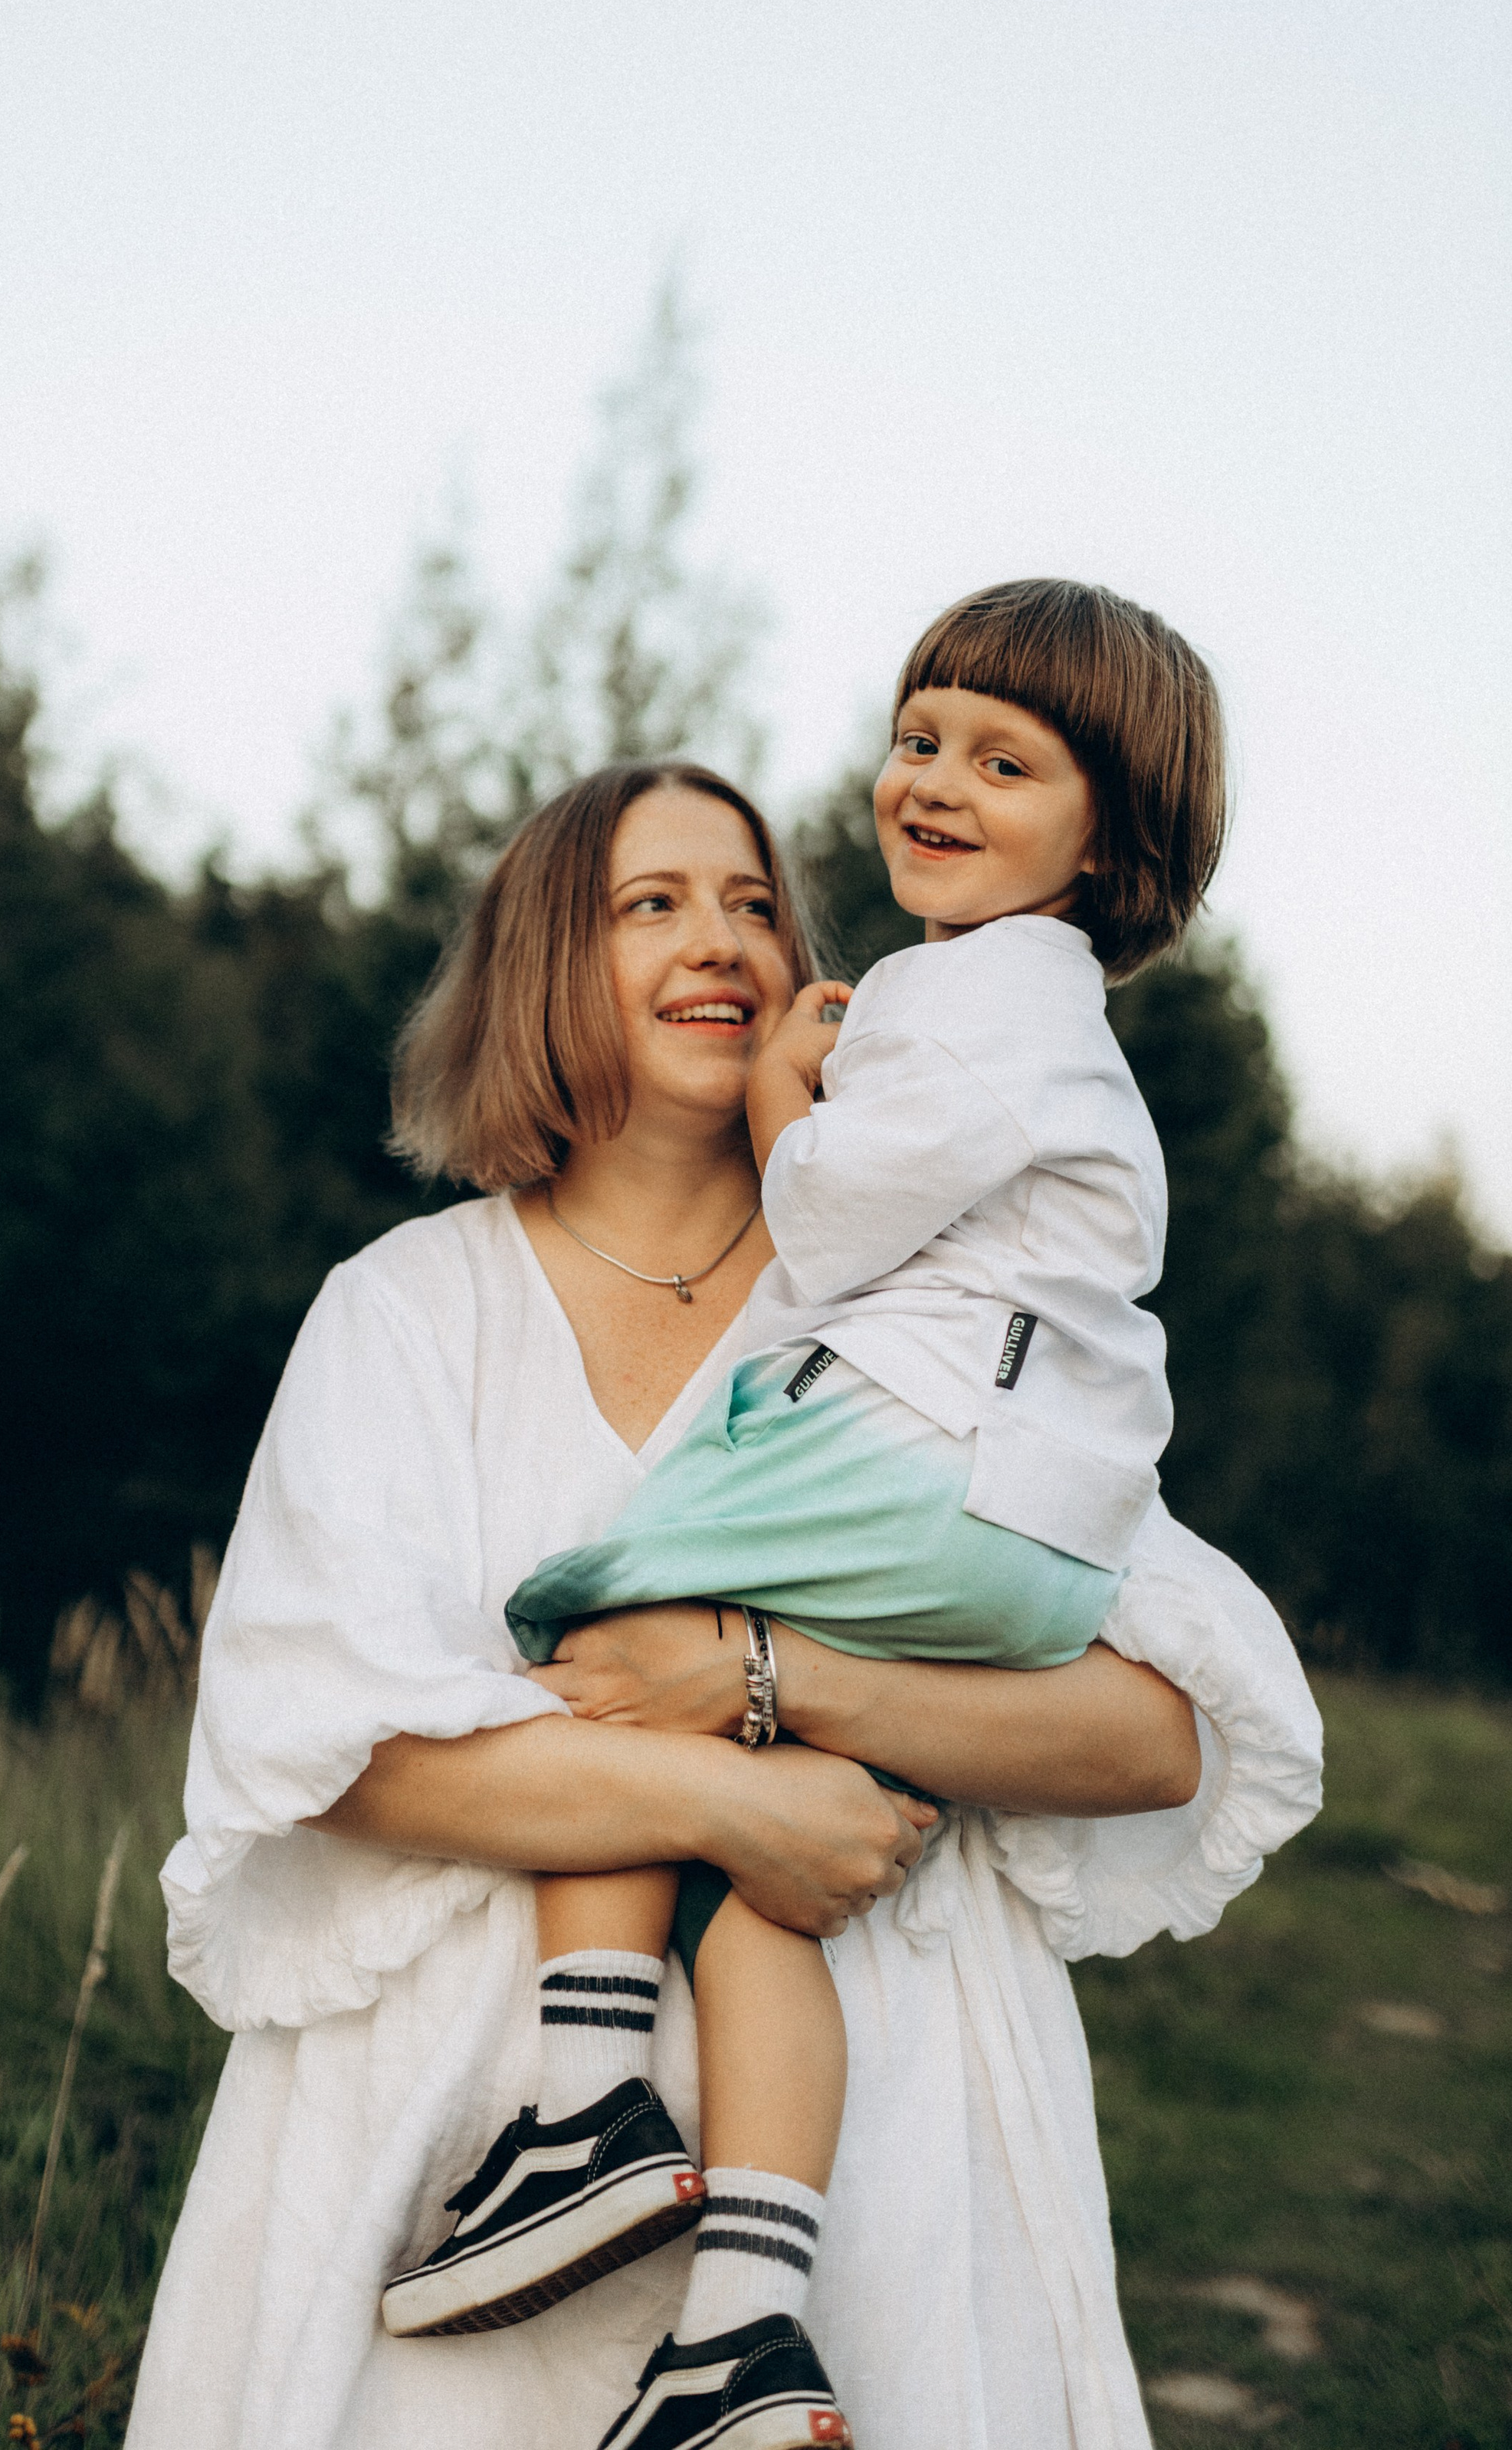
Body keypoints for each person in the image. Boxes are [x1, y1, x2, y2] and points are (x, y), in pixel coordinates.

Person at [126, 754, 1322, 2450]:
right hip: (458, 2140)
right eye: (651, 905)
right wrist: (732, 1796)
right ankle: (573, 2153)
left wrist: (762, 1678)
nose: (723, 944)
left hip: (883, 2142)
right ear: (547, 964)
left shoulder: (938, 1298)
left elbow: (1154, 1732)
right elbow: (327, 1750)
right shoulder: (401, 1312)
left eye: (756, 904)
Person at [378, 583, 1228, 2450]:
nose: (931, 782)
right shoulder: (408, 1306)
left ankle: (588, 2099)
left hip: (951, 1491)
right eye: (917, 738)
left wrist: (785, 1105)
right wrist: (754, 1756)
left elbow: (838, 1235)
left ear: (1109, 842)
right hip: (993, 1524)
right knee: (765, 1896)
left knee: (588, 1618)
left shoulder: (986, 1004)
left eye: (1002, 761)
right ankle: (746, 2314)